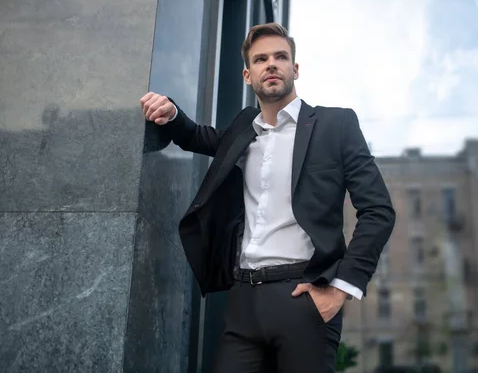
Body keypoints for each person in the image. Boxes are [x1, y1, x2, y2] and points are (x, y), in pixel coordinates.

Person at [140, 22, 395, 373]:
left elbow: (378, 210)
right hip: (242, 300)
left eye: (280, 56)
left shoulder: (335, 126)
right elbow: (198, 136)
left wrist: (340, 289)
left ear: (295, 68)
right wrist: (171, 114)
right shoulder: (244, 130)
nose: (271, 64)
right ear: (248, 74)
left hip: (303, 296)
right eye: (261, 59)